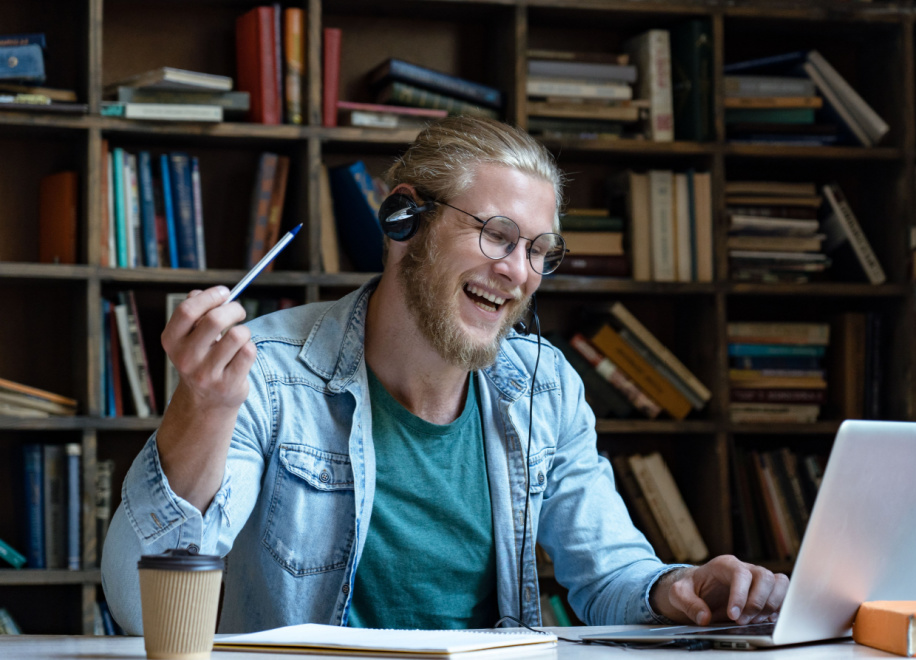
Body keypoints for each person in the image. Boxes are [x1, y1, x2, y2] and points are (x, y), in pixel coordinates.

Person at [102, 116, 788, 634]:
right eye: (497, 234)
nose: (518, 272)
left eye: (539, 251)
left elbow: (610, 573)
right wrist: (203, 410)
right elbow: (138, 609)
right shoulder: (267, 375)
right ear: (406, 217)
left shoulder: (546, 386)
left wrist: (678, 588)